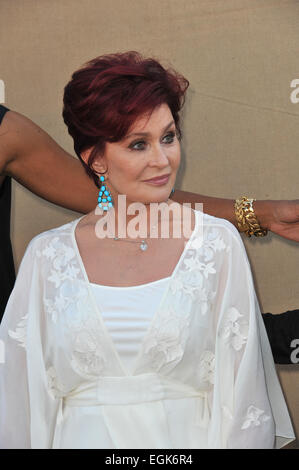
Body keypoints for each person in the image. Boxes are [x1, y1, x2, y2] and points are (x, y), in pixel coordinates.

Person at [0, 51, 295, 449]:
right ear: (96, 158)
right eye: (139, 144)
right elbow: (19, 407)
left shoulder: (216, 244)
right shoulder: (46, 257)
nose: (163, 160)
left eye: (168, 137)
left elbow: (244, 404)